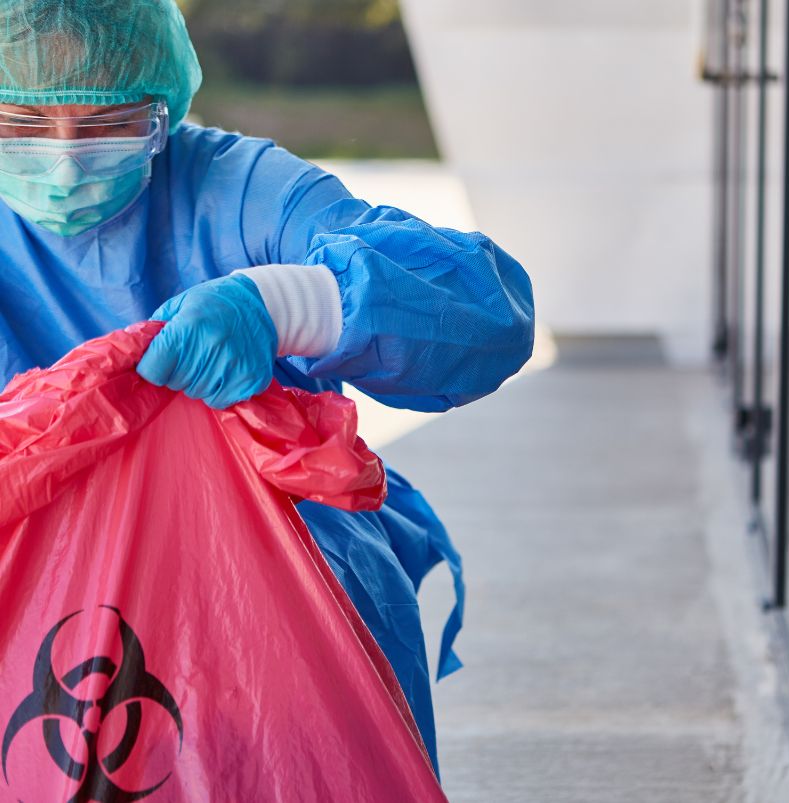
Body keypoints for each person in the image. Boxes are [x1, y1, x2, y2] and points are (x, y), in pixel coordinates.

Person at [0, 0, 535, 778]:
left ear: (163, 107)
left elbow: (485, 310)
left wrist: (284, 304)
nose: (65, 161)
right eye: (20, 122)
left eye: (111, 124)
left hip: (263, 575)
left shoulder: (235, 189)